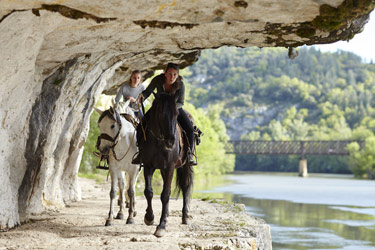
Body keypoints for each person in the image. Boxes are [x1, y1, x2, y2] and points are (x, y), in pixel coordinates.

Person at [132, 63, 197, 166]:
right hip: (158, 108)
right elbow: (148, 91)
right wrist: (142, 96)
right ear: (165, 73)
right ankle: (140, 153)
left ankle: (189, 154)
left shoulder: (181, 84)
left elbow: (181, 102)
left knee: (189, 128)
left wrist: (171, 108)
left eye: (175, 74)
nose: (172, 77)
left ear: (178, 75)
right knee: (141, 126)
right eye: (170, 74)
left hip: (175, 109)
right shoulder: (157, 80)